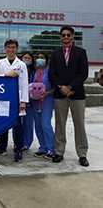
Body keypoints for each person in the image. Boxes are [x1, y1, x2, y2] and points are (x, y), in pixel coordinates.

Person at [49, 25, 89, 166]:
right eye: (63, 35)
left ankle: (82, 154)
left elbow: (83, 73)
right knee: (60, 125)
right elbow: (52, 74)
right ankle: (59, 152)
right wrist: (61, 87)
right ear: (61, 37)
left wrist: (71, 87)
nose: (65, 37)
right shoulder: (55, 54)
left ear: (72, 36)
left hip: (77, 94)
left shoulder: (81, 52)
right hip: (60, 95)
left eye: (68, 35)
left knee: (79, 125)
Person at [0, 39, 29, 162]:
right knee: (3, 123)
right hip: (3, 98)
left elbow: (24, 83)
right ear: (5, 49)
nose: (11, 50)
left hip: (17, 99)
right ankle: (2, 147)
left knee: (18, 125)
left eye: (13, 47)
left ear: (16, 49)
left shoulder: (21, 64)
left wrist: (23, 101)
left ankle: (18, 149)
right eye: (8, 47)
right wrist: (7, 75)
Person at [31, 53, 55, 159]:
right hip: (35, 101)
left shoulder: (50, 71)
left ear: (46, 60)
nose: (40, 59)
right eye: (38, 58)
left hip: (47, 100)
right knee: (38, 125)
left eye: (42, 58)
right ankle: (43, 147)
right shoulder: (34, 72)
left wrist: (47, 93)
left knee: (45, 124)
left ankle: (51, 148)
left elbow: (55, 87)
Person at [21, 52, 35, 151]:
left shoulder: (34, 72)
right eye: (24, 57)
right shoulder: (19, 69)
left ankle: (27, 143)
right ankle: (18, 142)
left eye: (28, 58)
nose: (26, 59)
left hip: (30, 101)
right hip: (19, 99)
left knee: (28, 123)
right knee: (18, 123)